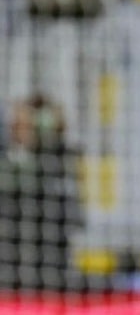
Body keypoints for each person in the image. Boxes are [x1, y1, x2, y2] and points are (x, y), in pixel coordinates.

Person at [0, 94, 83, 289]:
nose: (20, 129)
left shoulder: (55, 163)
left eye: (27, 124)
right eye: (17, 123)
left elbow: (73, 217)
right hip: (11, 262)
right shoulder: (9, 162)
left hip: (49, 263)